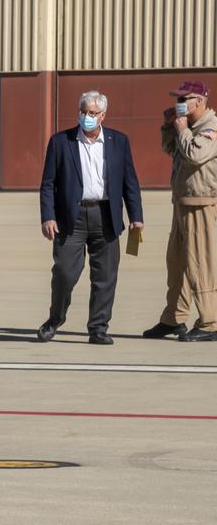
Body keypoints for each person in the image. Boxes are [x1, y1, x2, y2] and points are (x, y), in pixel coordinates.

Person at [37, 91, 144, 345]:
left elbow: (130, 182)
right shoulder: (61, 141)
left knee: (105, 277)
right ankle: (55, 319)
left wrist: (136, 216)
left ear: (103, 115)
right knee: (64, 272)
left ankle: (98, 328)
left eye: (92, 113)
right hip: (70, 218)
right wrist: (48, 216)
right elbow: (47, 184)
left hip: (106, 215)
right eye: (83, 111)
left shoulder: (118, 141)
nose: (87, 117)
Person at [144, 80, 217, 342]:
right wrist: (168, 126)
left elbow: (196, 155)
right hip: (181, 203)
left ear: (199, 101)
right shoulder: (189, 126)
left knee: (200, 264)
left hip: (201, 204)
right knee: (176, 263)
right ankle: (173, 319)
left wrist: (182, 130)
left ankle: (210, 322)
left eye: (184, 99)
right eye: (177, 99)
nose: (180, 104)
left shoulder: (211, 128)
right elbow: (171, 150)